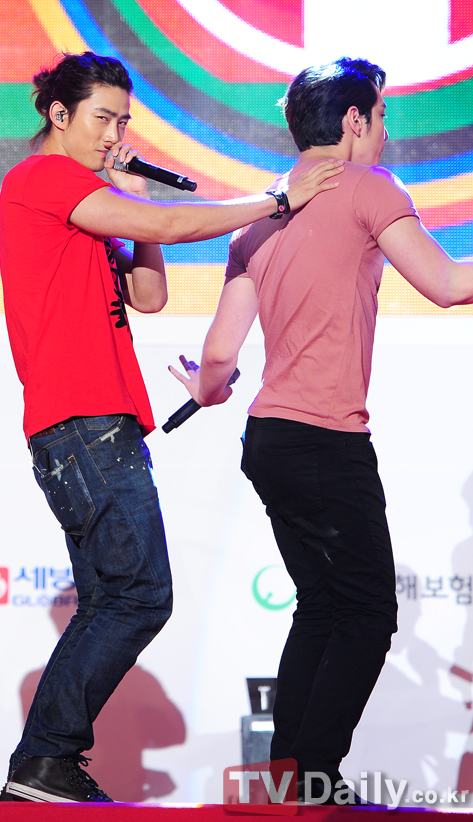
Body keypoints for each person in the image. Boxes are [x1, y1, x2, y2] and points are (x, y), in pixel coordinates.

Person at [0, 51, 343, 804]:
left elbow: (149, 293)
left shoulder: (88, 201)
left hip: (94, 424)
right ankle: (44, 759)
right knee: (140, 596)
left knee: (116, 598)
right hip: (83, 420)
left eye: (123, 121)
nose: (114, 134)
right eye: (102, 118)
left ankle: (44, 766)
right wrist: (275, 199)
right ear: (58, 114)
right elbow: (174, 225)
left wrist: (131, 193)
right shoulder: (44, 178)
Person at [170, 56, 473, 806]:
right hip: (325, 439)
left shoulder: (259, 217)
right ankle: (314, 779)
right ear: (352, 120)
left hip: (269, 440)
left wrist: (206, 390)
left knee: (323, 604)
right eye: (382, 117)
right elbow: (447, 284)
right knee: (366, 613)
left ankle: (290, 780)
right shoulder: (370, 187)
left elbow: (218, 357)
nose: (386, 134)